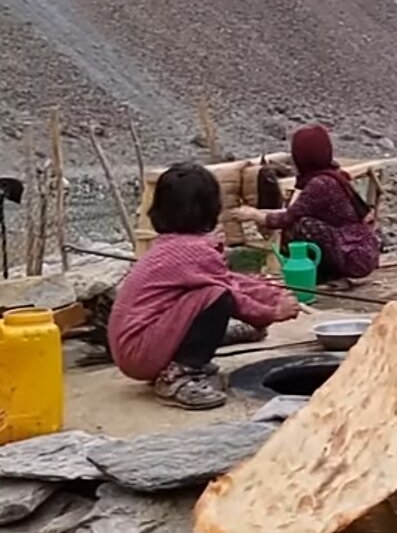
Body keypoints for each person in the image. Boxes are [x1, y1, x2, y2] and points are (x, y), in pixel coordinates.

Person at [109, 163, 300, 410]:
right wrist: (273, 312)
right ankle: (178, 376)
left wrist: (271, 294)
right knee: (215, 296)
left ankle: (179, 360)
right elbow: (230, 293)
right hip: (139, 352)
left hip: (133, 348)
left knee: (212, 292)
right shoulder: (194, 252)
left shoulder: (171, 246)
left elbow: (230, 279)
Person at [231, 124, 381, 285]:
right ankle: (323, 275)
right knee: (300, 222)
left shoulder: (321, 184)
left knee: (302, 226)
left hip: (354, 256)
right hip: (357, 249)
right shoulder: (331, 175)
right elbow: (293, 210)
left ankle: (330, 276)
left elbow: (286, 218)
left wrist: (253, 215)